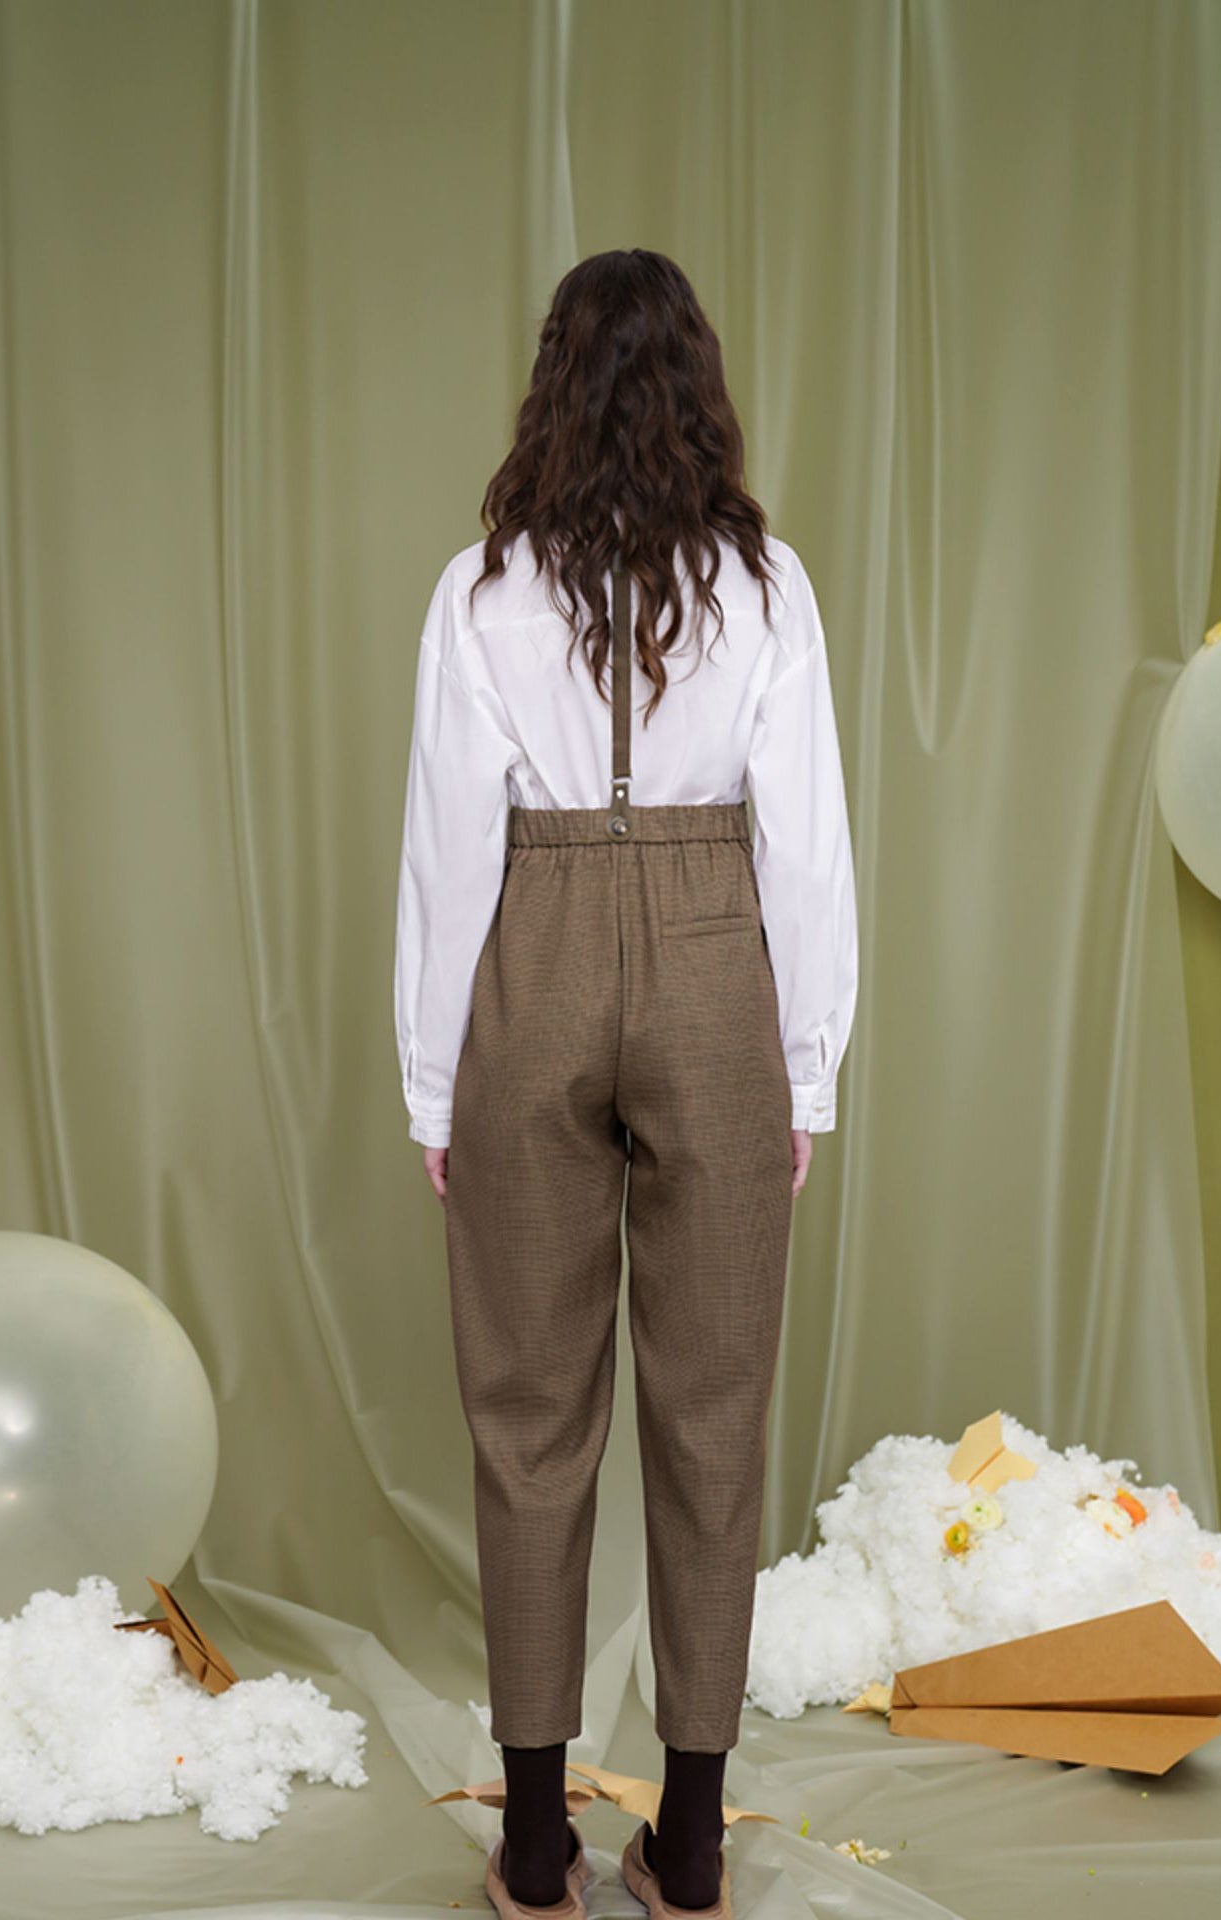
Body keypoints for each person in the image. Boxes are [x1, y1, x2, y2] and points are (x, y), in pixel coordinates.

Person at [393, 249, 858, 1920]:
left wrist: (434, 1083)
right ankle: (697, 1841)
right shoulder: (767, 586)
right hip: (716, 956)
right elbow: (805, 841)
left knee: (528, 1415)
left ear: (552, 390)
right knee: (712, 1414)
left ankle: (536, 1846)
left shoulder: (481, 588)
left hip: (533, 954)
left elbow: (448, 847)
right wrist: (804, 1065)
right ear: (697, 394)